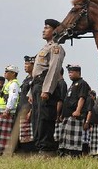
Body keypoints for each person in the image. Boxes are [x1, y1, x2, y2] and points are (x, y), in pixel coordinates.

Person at [30, 19, 66, 155]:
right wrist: (30, 93)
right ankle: (40, 147)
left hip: (45, 84)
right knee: (37, 118)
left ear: (55, 31)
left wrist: (47, 90)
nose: (43, 30)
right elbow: (35, 73)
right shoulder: (44, 48)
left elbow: (54, 69)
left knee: (45, 118)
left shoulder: (56, 48)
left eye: (47, 28)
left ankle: (47, 150)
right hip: (37, 84)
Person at [58, 64, 90, 156]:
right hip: (67, 115)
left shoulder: (82, 83)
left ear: (78, 72)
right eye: (68, 72)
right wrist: (62, 114)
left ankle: (74, 155)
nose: (69, 74)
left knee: (74, 139)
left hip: (75, 115)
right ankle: (64, 153)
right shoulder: (72, 84)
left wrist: (78, 110)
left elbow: (82, 98)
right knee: (65, 137)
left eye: (71, 72)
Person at [0, 66, 20, 154]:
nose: (5, 73)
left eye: (7, 71)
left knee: (4, 135)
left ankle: (4, 152)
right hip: (1, 112)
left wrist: (7, 109)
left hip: (7, 113)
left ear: (13, 73)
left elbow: (13, 97)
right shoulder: (8, 84)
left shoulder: (13, 84)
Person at [18, 55, 35, 152]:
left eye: (27, 64)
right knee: (24, 136)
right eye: (25, 64)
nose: (25, 66)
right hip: (23, 110)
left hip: (29, 110)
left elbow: (33, 97)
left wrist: (31, 110)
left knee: (30, 136)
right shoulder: (26, 79)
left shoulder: (34, 79)